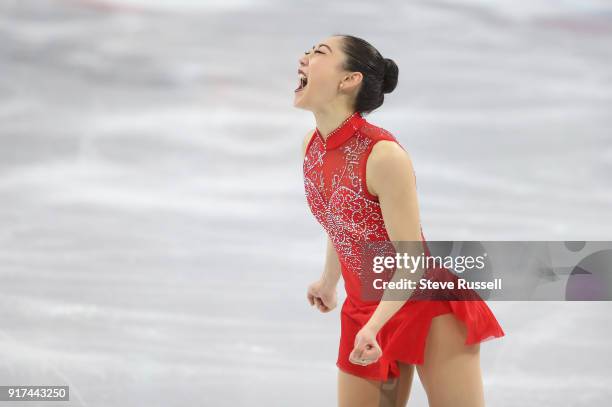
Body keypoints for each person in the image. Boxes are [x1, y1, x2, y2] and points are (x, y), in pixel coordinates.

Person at [294, 34, 505, 407]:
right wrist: (330, 280)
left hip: (425, 303)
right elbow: (341, 219)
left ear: (349, 79)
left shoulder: (383, 155)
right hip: (365, 305)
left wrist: (376, 325)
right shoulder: (312, 144)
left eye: (319, 53)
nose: (305, 57)